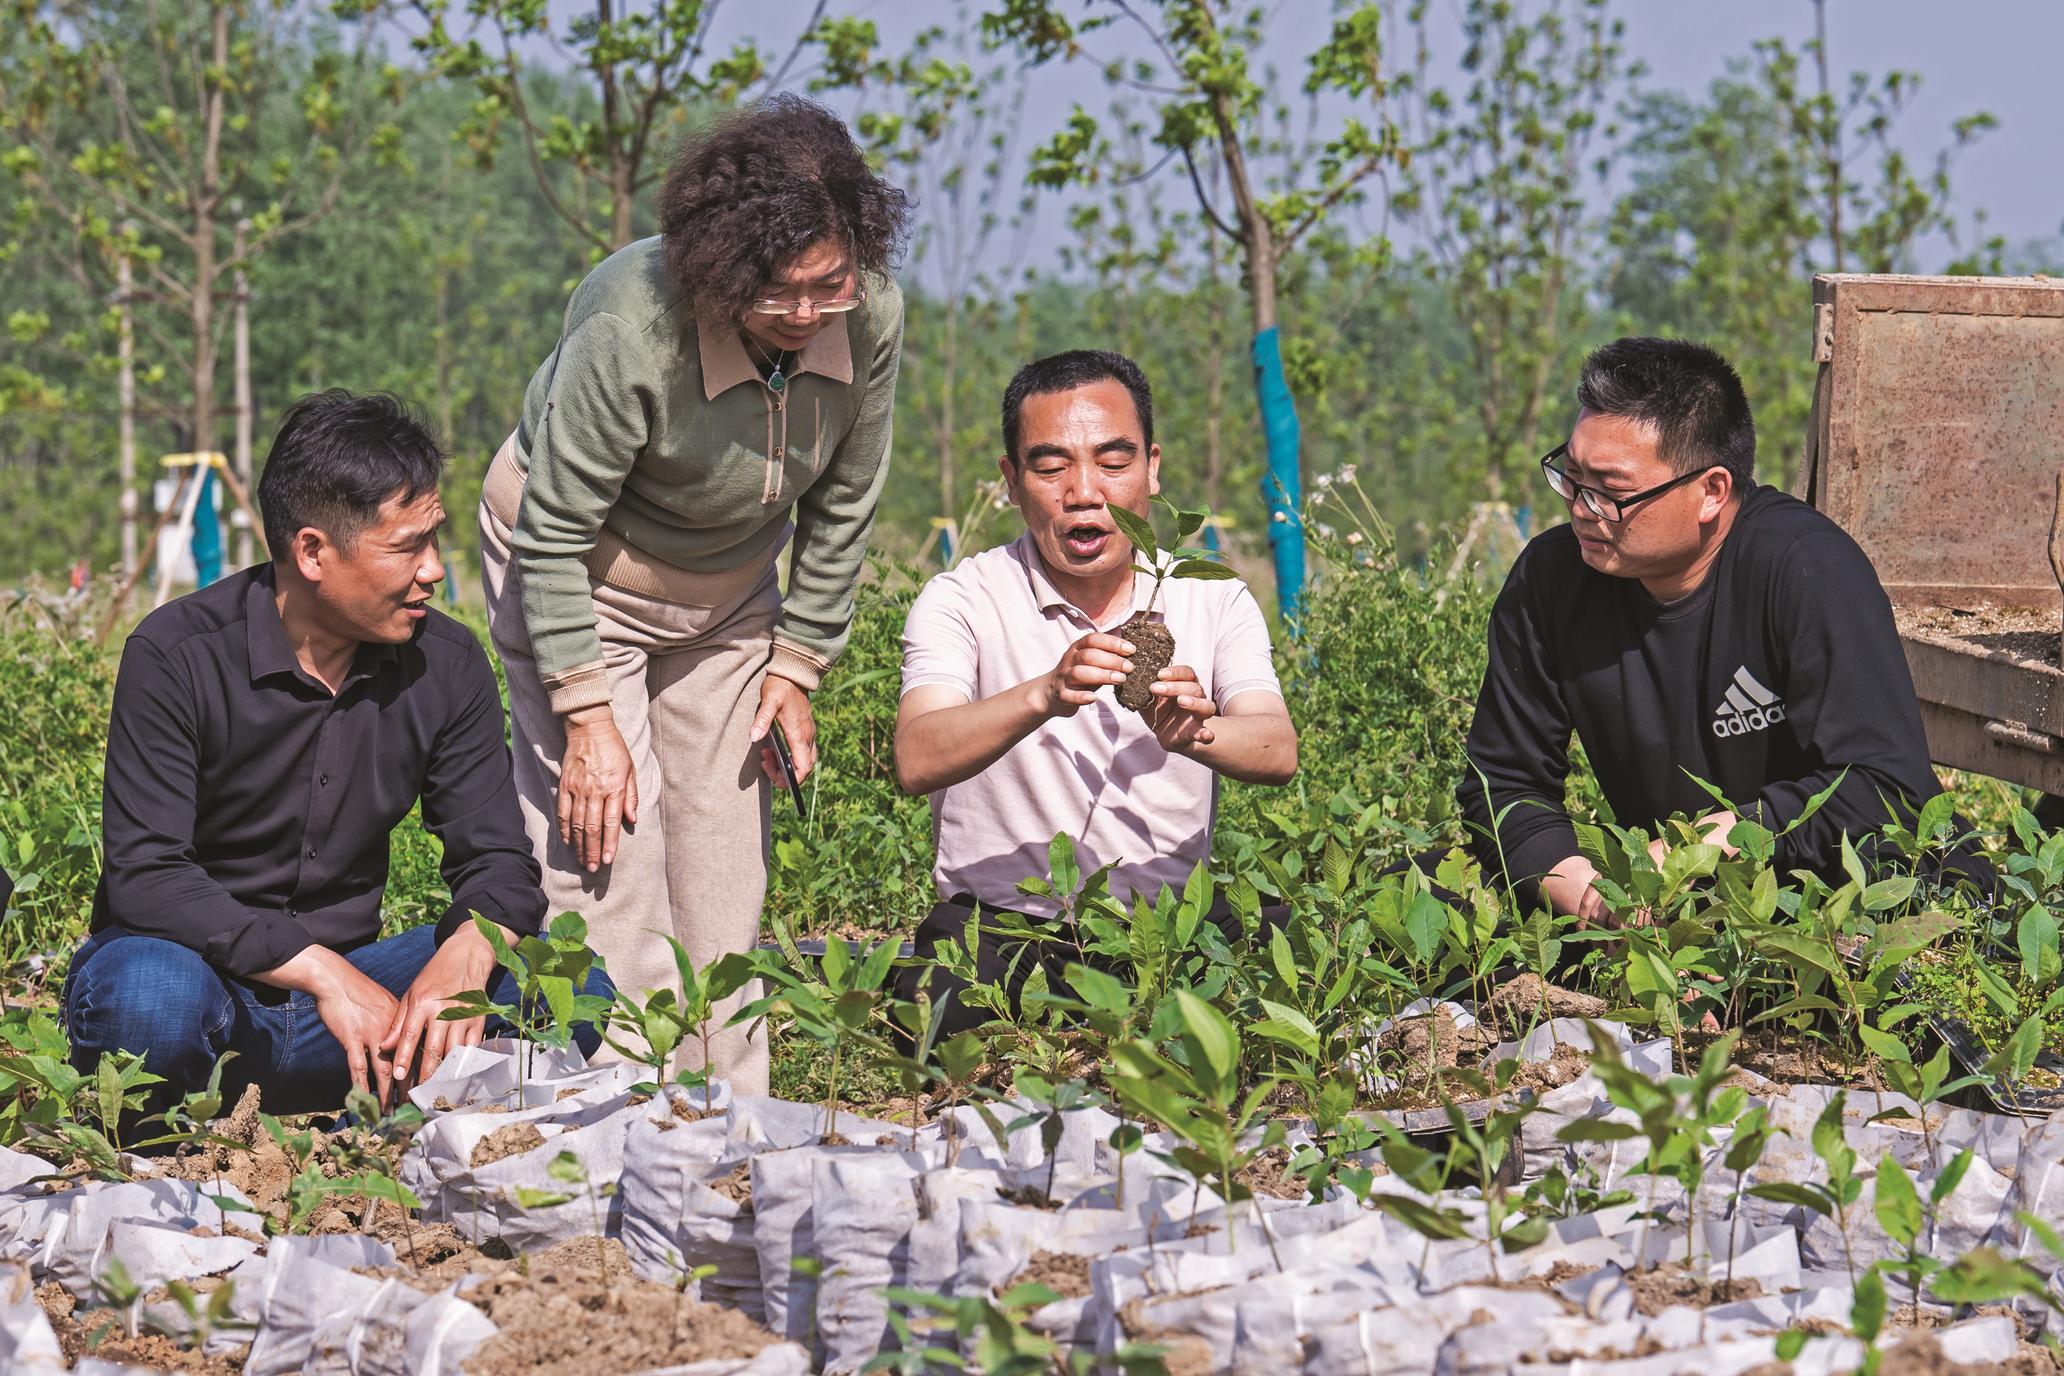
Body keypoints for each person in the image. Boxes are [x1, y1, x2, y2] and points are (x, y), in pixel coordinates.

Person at [66, 391, 612, 1119]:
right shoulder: (176, 655)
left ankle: (363, 1076)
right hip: (209, 984)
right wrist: (321, 972)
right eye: (406, 547)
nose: (433, 572)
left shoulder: (445, 667)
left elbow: (497, 861)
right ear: (313, 552)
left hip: (357, 1000)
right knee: (146, 999)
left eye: (433, 540)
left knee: (567, 978)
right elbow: (148, 877)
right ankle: (305, 1093)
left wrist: (466, 954)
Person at [1458, 336, 1991, 922]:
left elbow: (1885, 788)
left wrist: (1714, 844)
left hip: (1870, 915)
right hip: (1677, 919)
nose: (1582, 508)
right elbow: (1504, 786)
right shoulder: (1552, 579)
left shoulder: (1806, 569)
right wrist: (1587, 895)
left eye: (1611, 491)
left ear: (1712, 490)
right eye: (1572, 477)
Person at [893, 350, 1299, 1034]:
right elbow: (917, 756)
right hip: (1003, 927)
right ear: (1011, 481)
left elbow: (1276, 747)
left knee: (1289, 978)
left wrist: (1197, 733)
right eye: (1051, 466)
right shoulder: (962, 599)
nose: (1084, 491)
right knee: (938, 1017)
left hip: (1166, 923)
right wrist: (1043, 694)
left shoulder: (1211, 595)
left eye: (1113, 462)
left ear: (1152, 467)